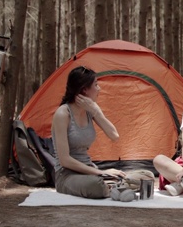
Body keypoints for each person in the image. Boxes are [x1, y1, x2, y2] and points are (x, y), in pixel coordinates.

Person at [52, 66, 127, 199]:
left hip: (89, 170)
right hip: (67, 175)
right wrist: (101, 172)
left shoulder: (89, 110)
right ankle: (112, 186)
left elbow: (114, 136)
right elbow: (65, 160)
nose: (99, 89)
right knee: (96, 185)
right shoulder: (63, 114)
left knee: (145, 176)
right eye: (96, 85)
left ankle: (112, 186)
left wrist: (96, 111)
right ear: (84, 90)